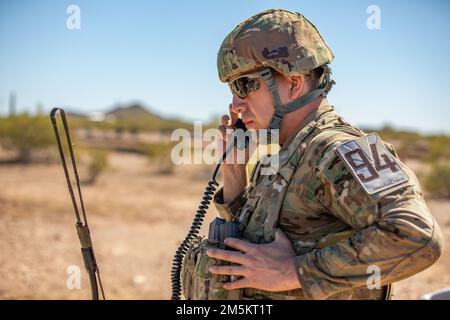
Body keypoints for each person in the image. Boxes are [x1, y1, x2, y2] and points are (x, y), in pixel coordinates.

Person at [182, 8, 444, 300]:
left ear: (294, 84)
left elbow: (417, 236)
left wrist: (294, 272)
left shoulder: (339, 149)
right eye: (232, 88)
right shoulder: (281, 156)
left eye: (245, 85)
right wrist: (234, 180)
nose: (235, 105)